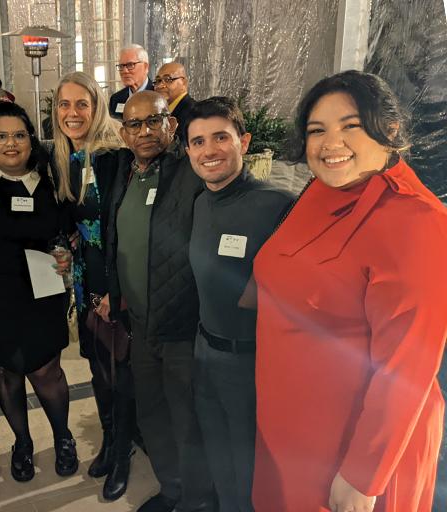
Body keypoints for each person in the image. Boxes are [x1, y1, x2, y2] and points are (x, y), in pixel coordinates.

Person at [252, 70, 447, 512]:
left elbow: (409, 366)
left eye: (350, 126)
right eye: (316, 130)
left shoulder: (416, 221)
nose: (330, 144)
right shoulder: (323, 188)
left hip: (353, 441)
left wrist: (363, 475)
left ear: (390, 130)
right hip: (293, 422)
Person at [100, 90, 215, 512]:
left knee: (188, 420)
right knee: (152, 413)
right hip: (140, 324)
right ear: (124, 133)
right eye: (134, 124)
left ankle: (198, 502)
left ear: (172, 124)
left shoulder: (191, 174)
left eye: (155, 120)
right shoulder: (125, 173)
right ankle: (172, 489)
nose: (145, 131)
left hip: (182, 324)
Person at [184, 96, 294, 512]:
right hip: (204, 350)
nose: (208, 151)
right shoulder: (200, 202)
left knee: (250, 468)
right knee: (218, 457)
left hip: (250, 362)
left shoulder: (276, 205)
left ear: (243, 142)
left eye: (220, 138)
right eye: (198, 142)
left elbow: (296, 291)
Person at [0, 101, 78, 482]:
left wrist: (66, 252)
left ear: (31, 140)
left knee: (47, 371)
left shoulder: (53, 179)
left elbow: (69, 231)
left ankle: (63, 437)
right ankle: (22, 442)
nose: (10, 144)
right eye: (0, 136)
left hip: (42, 293)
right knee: (7, 371)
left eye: (19, 135)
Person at [50, 71, 136, 500]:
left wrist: (110, 293)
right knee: (98, 367)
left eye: (81, 104)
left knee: (118, 370)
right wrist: (62, 247)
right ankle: (110, 438)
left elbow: (121, 231)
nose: (72, 113)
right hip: (85, 281)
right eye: (64, 105)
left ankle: (122, 452)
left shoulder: (113, 156)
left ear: (97, 107)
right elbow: (69, 223)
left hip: (110, 281)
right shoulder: (65, 157)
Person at [153, 62, 194, 145]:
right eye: (158, 81)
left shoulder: (192, 112)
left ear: (184, 83)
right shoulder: (160, 112)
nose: (160, 85)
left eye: (168, 79)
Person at [109, 44, 152, 120]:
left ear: (145, 67)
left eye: (130, 65)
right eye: (121, 66)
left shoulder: (158, 95)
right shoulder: (116, 99)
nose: (125, 71)